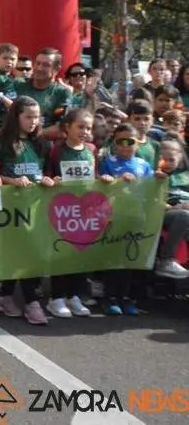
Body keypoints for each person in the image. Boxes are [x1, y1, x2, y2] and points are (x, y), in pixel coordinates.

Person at [0, 96, 56, 325]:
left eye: (37, 117)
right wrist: (11, 181)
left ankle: (6, 295)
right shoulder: (0, 142)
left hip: (34, 208)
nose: (33, 122)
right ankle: (32, 302)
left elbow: (45, 172)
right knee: (22, 252)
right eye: (28, 117)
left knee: (28, 252)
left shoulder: (42, 143)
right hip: (9, 209)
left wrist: (47, 180)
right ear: (17, 117)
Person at [43, 108, 96, 318]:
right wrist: (53, 181)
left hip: (84, 212)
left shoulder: (91, 150)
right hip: (62, 210)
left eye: (88, 128)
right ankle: (56, 297)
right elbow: (48, 175)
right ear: (67, 127)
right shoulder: (57, 150)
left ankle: (74, 295)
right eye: (80, 127)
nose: (84, 131)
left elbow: (94, 177)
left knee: (80, 252)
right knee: (61, 252)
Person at [98, 122, 154, 315]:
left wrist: (160, 179)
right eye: (120, 141)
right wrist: (111, 181)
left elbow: (152, 189)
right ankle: (109, 297)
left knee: (130, 258)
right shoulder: (108, 162)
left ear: (138, 143)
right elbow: (100, 186)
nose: (124, 145)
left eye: (129, 141)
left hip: (136, 217)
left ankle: (126, 297)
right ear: (115, 142)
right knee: (114, 258)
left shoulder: (144, 165)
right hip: (115, 216)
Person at [154, 137, 189, 279]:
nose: (167, 163)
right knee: (183, 216)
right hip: (164, 213)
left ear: (180, 159)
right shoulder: (153, 176)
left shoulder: (185, 177)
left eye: (171, 160)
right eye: (163, 159)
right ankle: (166, 260)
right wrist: (175, 207)